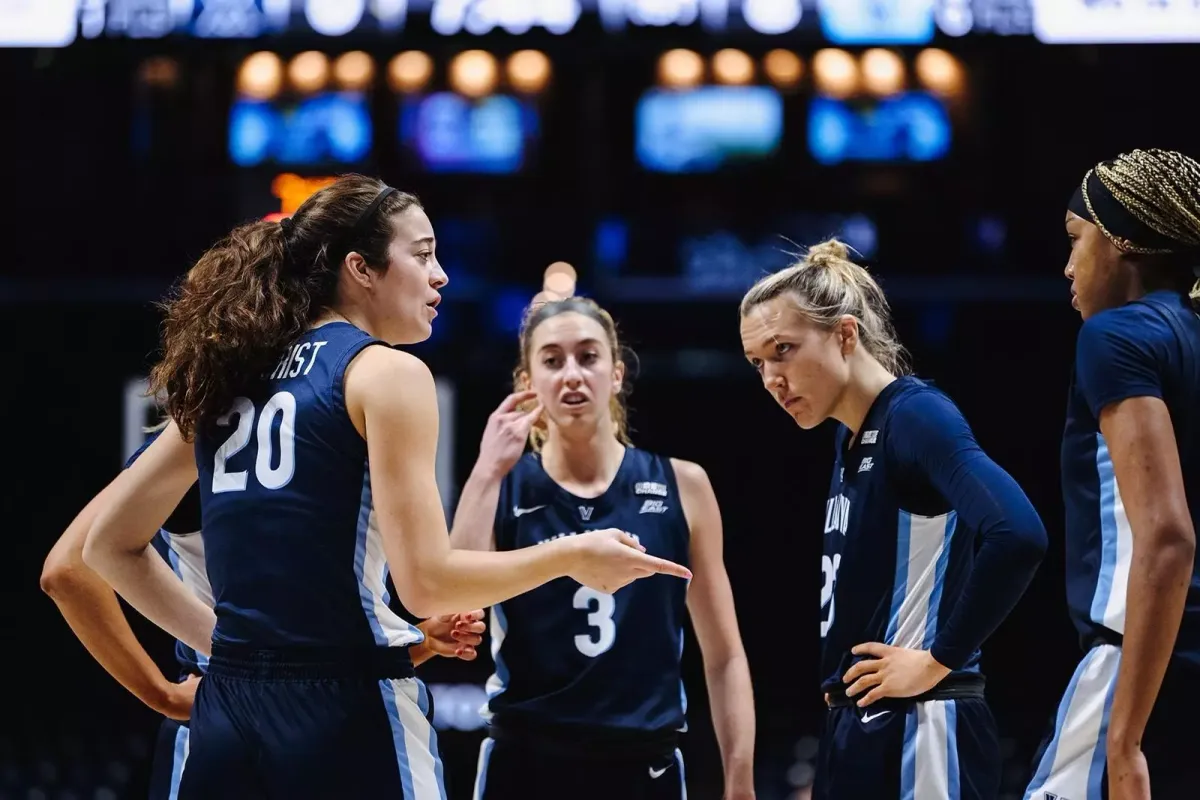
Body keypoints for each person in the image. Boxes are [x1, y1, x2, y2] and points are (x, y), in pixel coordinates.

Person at [81, 175, 691, 799]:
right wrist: (573, 555)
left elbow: (107, 545)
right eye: (423, 254)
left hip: (228, 715)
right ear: (360, 268)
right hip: (348, 708)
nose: (441, 275)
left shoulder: (234, 372)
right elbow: (428, 586)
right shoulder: (387, 372)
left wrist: (225, 644)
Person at [739, 239, 1048, 800]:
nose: (770, 379)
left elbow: (1019, 533)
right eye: (758, 362)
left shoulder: (916, 417)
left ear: (846, 335)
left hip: (922, 723)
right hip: (856, 728)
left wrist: (938, 661)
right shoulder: (846, 439)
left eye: (782, 349)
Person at [44, 426, 487, 799]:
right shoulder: (217, 437)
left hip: (285, 712)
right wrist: (161, 693)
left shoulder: (297, 435)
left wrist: (420, 641)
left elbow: (305, 652)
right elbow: (67, 570)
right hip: (264, 718)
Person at [451, 293, 757, 800]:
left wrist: (740, 780)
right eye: (552, 360)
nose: (572, 373)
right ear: (527, 384)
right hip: (526, 762)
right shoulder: (502, 487)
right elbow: (452, 607)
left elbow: (724, 656)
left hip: (643, 764)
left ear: (616, 374)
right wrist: (486, 469)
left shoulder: (683, 484)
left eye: (588, 357)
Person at [1023, 148, 1200, 800]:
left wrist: (1124, 739)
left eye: (1077, 240)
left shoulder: (1117, 336)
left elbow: (1168, 538)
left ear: (1123, 239)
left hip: (1143, 659)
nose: (1069, 267)